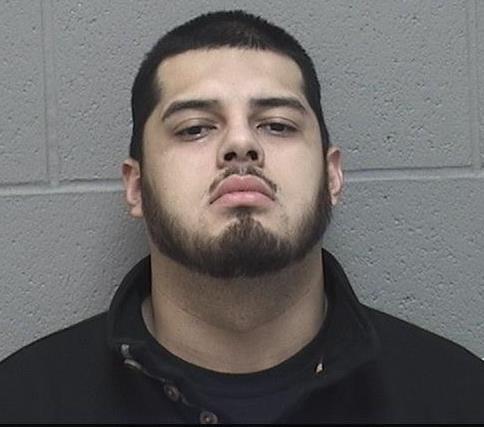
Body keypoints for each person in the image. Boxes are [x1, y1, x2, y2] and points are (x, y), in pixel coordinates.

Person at [0, 10, 483, 424]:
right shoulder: (24, 402)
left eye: (277, 125)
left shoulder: (458, 398)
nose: (240, 144)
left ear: (332, 176)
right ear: (136, 187)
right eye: (194, 128)